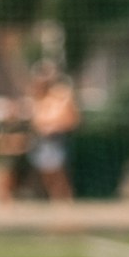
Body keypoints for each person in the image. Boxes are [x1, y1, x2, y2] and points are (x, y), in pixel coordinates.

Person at [27, 66, 79, 205]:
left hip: (56, 140)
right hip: (42, 141)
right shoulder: (39, 100)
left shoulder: (60, 98)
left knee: (58, 173)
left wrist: (54, 127)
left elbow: (72, 120)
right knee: (46, 174)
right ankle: (54, 199)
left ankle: (65, 200)